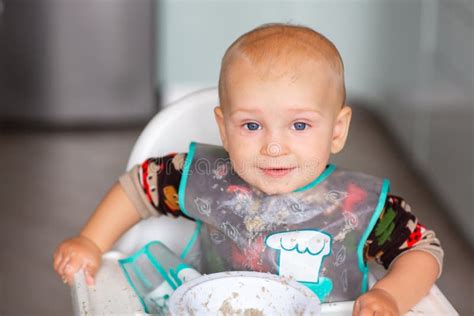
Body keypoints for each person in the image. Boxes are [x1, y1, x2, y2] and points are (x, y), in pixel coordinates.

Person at [53, 23, 443, 315]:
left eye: (300, 125)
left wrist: (390, 295)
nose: (274, 146)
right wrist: (91, 242)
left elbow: (421, 251)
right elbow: (140, 189)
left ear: (337, 130)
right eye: (252, 126)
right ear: (223, 128)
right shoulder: (202, 178)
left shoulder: (362, 207)